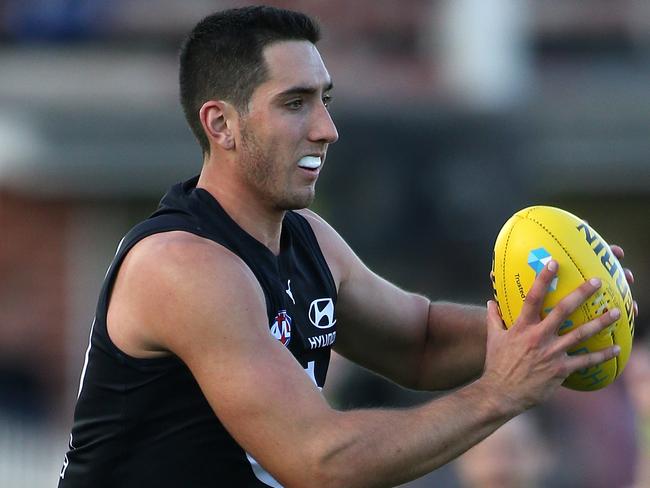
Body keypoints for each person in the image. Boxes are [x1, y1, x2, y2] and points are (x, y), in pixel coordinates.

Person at [58, 6, 637, 488]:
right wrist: (498, 394)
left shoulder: (308, 241)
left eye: (325, 99)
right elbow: (319, 459)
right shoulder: (182, 266)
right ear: (221, 124)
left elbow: (420, 340)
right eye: (295, 103)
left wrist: (550, 322)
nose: (326, 128)